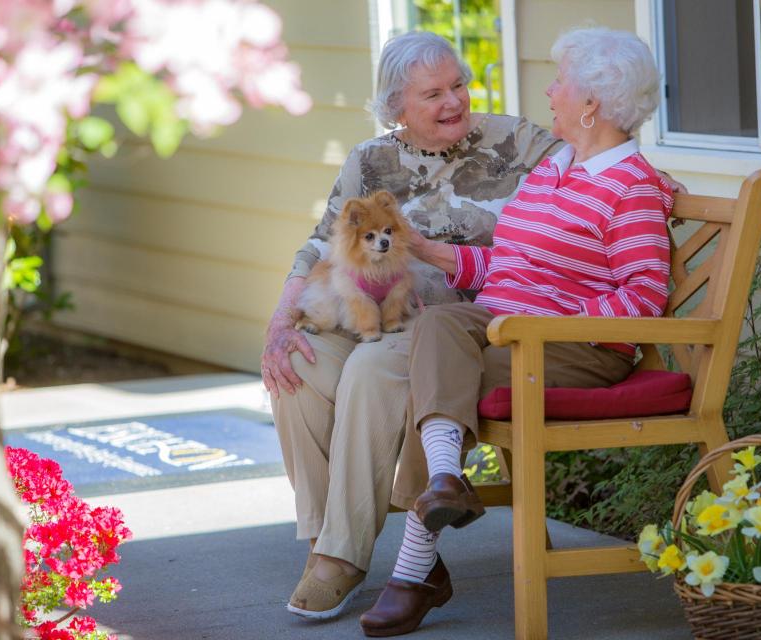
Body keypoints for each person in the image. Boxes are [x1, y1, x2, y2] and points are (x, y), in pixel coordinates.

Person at [261, 30, 682, 622]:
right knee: (306, 364)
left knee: (379, 368)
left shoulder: (533, 148)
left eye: (457, 84)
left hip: (510, 332)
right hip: (443, 321)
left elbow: (632, 252)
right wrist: (285, 318)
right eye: (432, 93)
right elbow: (508, 261)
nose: (454, 100)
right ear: (398, 107)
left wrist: (651, 190)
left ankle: (365, 556)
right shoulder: (541, 169)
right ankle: (346, 537)